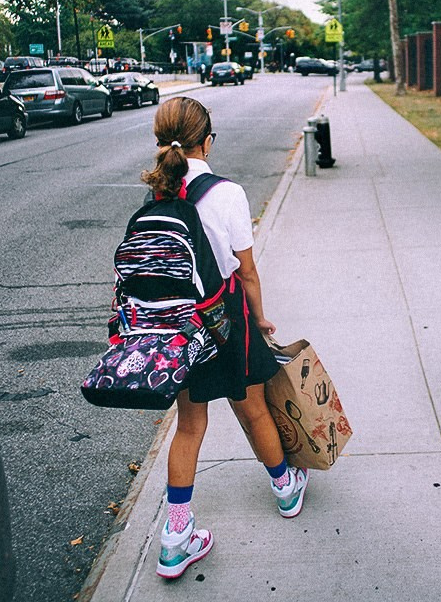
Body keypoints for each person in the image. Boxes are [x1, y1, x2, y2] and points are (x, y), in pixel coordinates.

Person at [139, 96, 307, 580]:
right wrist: (260, 318)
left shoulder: (157, 195)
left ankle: (175, 538)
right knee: (252, 408)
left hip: (180, 327)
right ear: (207, 142)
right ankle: (286, 488)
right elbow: (246, 271)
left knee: (189, 426)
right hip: (227, 320)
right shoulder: (227, 193)